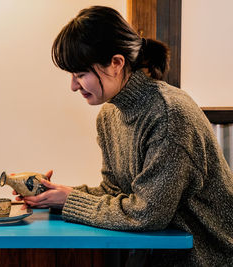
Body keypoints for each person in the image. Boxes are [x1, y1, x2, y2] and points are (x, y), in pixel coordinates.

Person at [14, 5, 233, 267]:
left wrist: (70, 200)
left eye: (80, 74)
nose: (73, 86)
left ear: (116, 63)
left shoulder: (168, 115)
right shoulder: (109, 116)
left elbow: (147, 214)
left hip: (206, 258)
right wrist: (56, 196)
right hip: (157, 256)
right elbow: (115, 192)